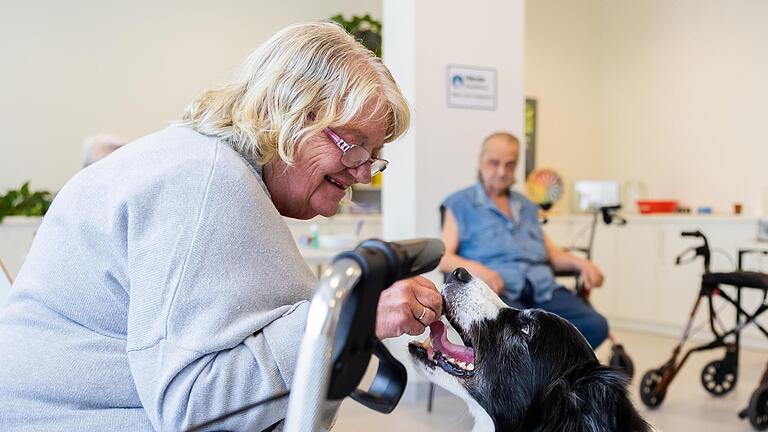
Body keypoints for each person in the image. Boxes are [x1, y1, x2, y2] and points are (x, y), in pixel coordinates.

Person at [0, 22, 442, 431]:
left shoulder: (208, 168)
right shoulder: (206, 182)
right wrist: (350, 318)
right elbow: (194, 409)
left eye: (373, 155)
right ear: (288, 111)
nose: (363, 172)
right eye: (353, 146)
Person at [439, 132, 608, 348]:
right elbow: (444, 257)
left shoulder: (527, 206)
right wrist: (479, 271)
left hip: (542, 289)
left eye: (510, 165)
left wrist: (582, 263)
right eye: (494, 163)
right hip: (500, 293)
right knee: (517, 341)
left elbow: (551, 254)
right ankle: (540, 377)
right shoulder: (460, 204)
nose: (502, 172)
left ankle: (551, 378)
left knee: (595, 325)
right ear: (480, 162)